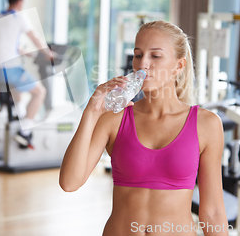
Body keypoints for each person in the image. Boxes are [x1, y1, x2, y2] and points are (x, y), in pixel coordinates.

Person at [59, 20, 228, 236]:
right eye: (138, 55)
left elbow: (212, 211)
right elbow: (69, 182)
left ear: (179, 65)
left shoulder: (206, 124)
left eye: (155, 56)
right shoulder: (114, 119)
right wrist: (91, 112)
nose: (143, 64)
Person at [0, 0, 54, 148]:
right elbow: (35, 37)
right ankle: (24, 132)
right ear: (19, 2)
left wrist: (23, 52)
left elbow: (2, 42)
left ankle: (20, 119)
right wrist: (47, 53)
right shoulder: (19, 17)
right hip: (8, 69)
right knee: (39, 93)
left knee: (17, 93)